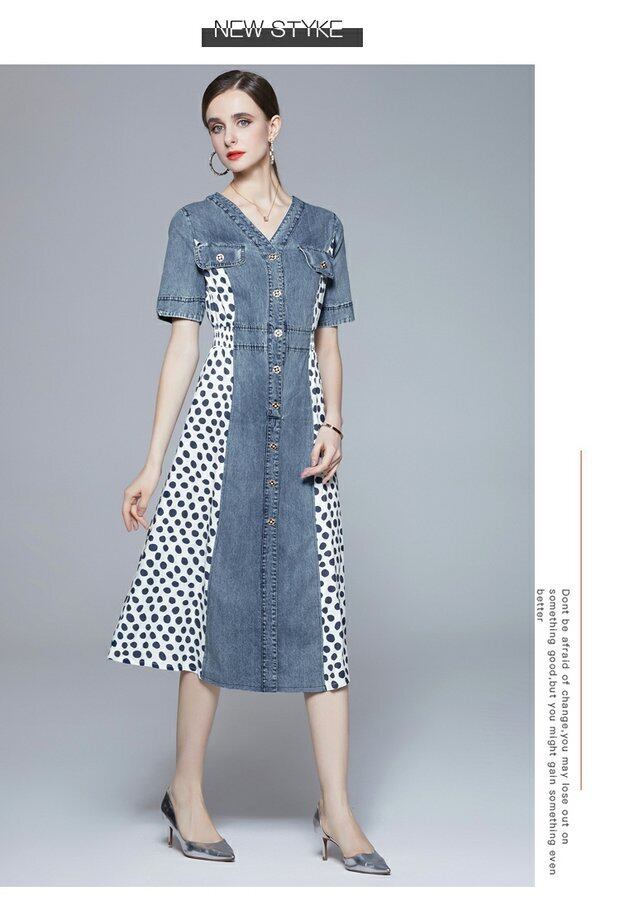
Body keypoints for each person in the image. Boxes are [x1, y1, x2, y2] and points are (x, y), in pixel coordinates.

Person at [107, 69, 390, 876]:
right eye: (213, 126)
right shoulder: (195, 224)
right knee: (206, 611)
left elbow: (329, 341)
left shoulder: (323, 229)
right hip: (215, 439)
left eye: (240, 120)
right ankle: (186, 793)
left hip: (301, 438)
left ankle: (337, 810)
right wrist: (152, 461)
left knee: (320, 615)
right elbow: (183, 347)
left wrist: (335, 424)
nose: (226, 137)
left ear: (274, 125)